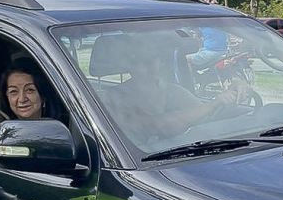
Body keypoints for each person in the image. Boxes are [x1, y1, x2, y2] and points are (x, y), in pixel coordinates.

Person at [102, 39, 250, 146]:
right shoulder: (114, 98)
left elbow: (205, 115)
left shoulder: (172, 91)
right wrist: (213, 104)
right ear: (130, 66)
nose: (151, 66)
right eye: (143, 61)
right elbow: (159, 125)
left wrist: (236, 86)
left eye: (154, 59)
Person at [0, 57, 62, 145]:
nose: (22, 99)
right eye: (14, 91)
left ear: (43, 95)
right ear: (7, 97)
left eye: (30, 90)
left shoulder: (61, 130)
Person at [187, 0, 228, 70]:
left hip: (212, 52)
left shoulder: (203, 20)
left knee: (186, 59)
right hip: (224, 51)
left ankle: (190, 80)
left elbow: (196, 37)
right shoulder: (220, 17)